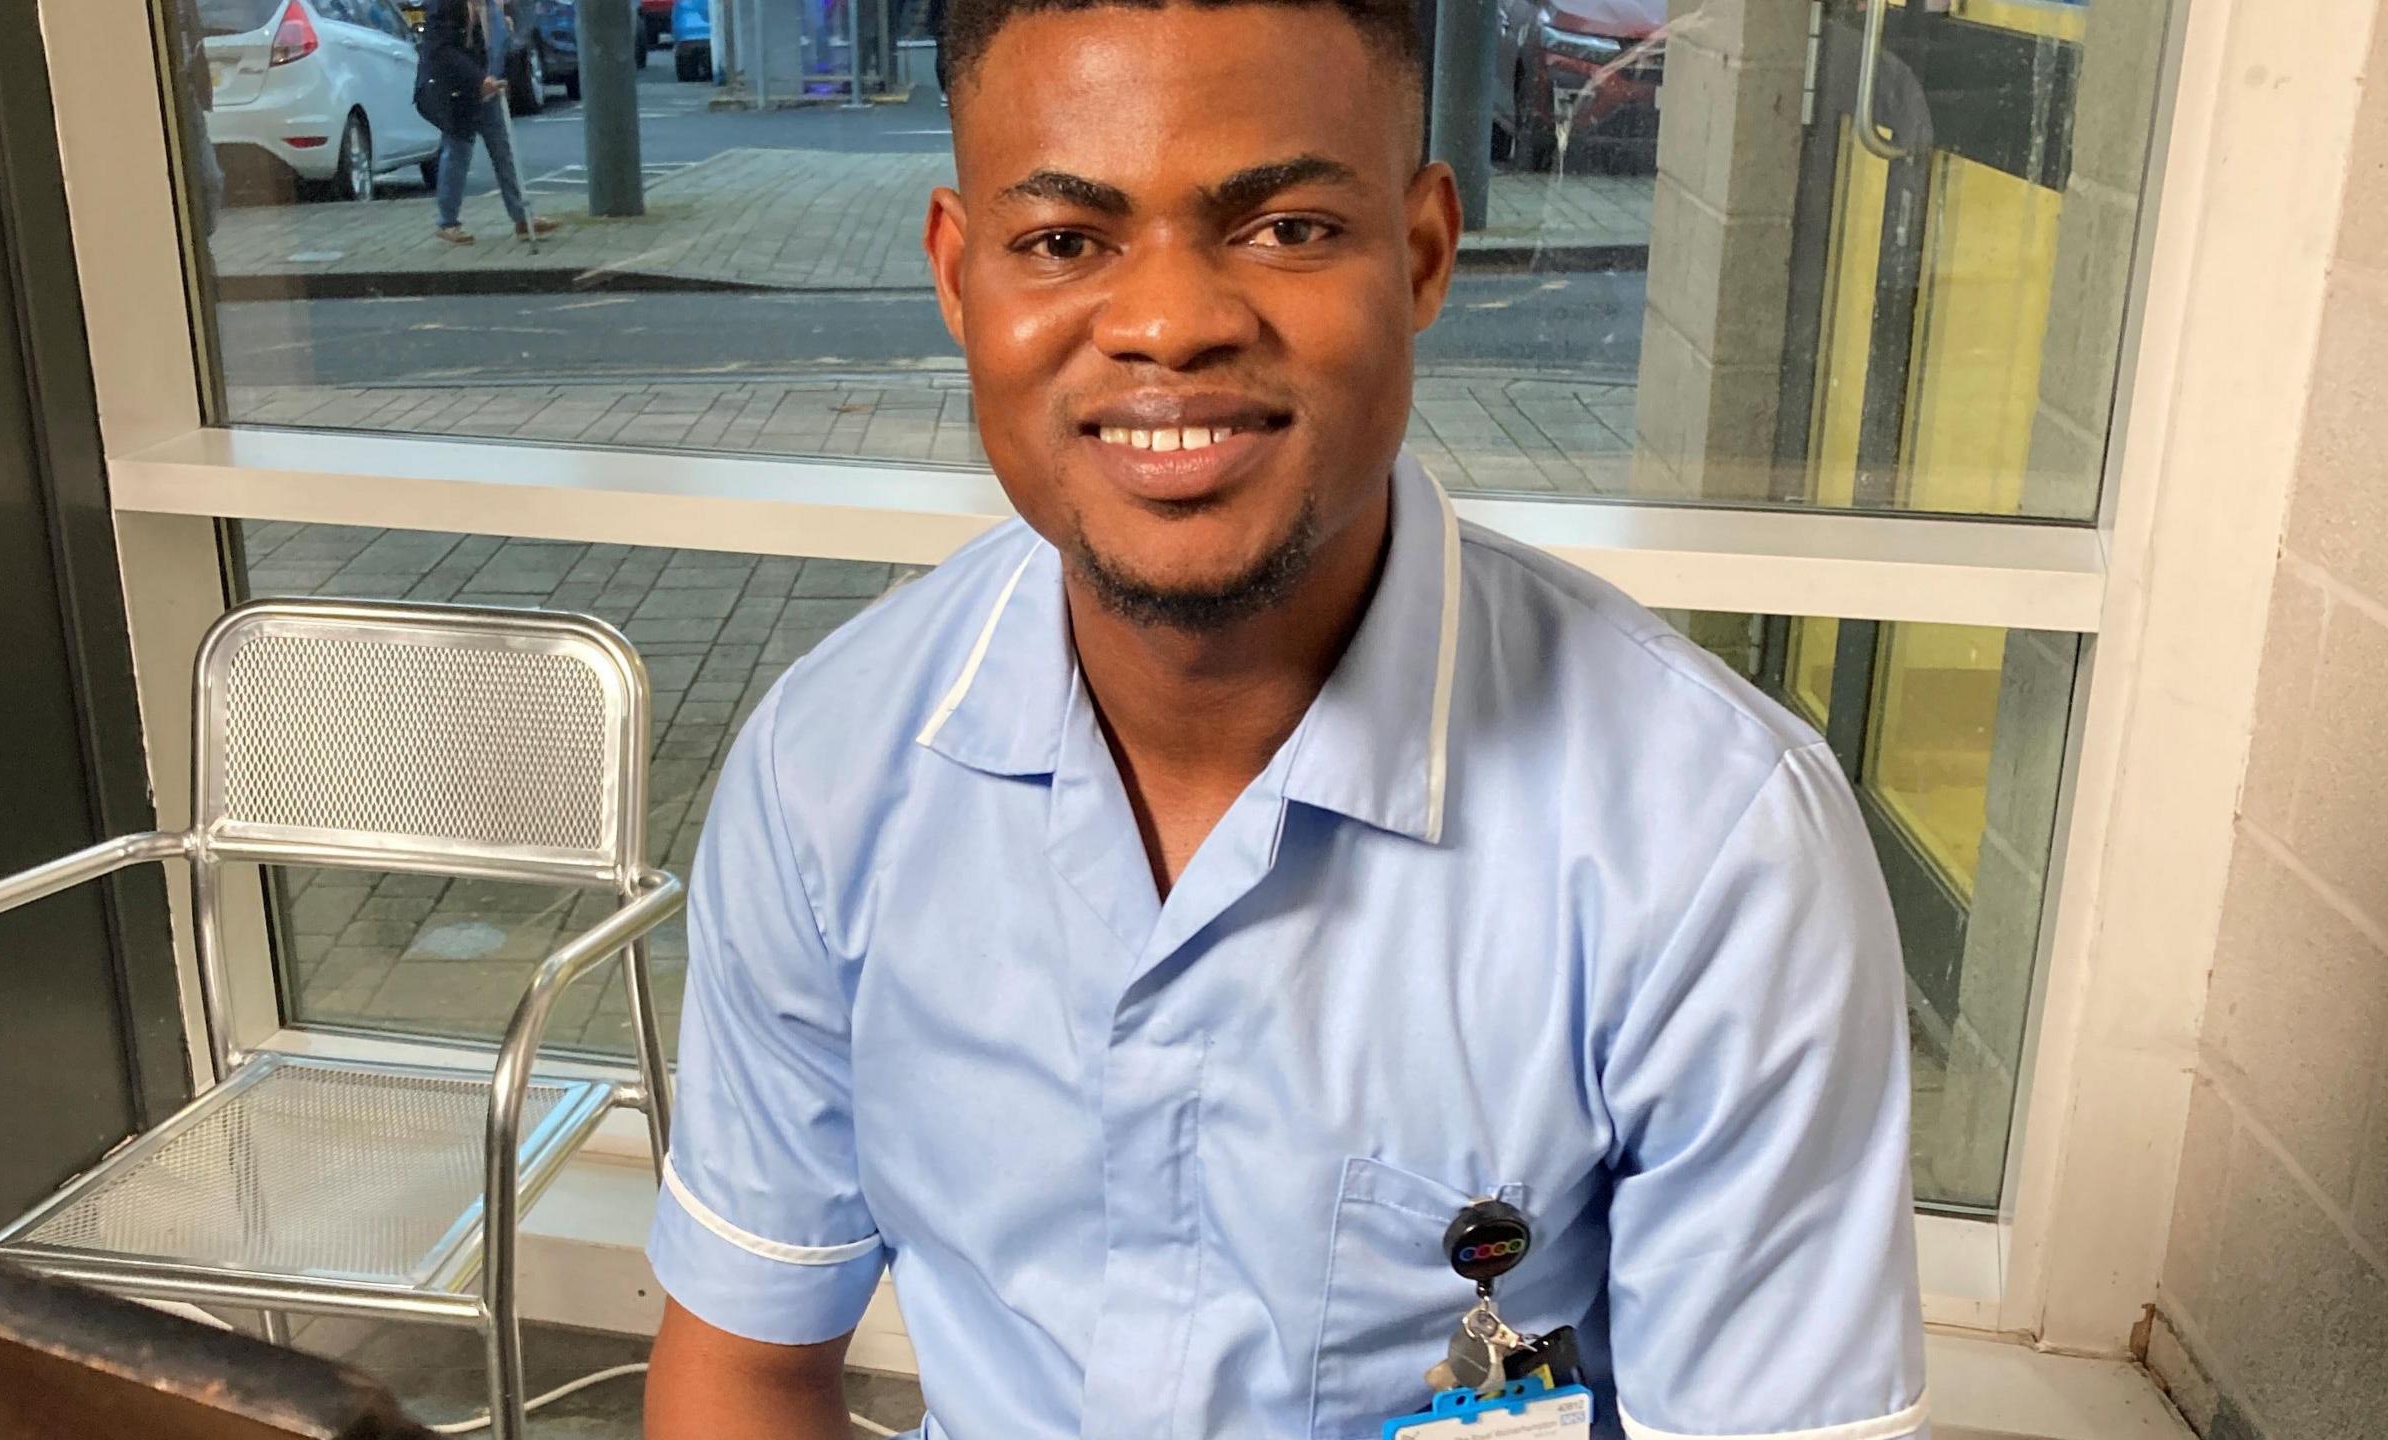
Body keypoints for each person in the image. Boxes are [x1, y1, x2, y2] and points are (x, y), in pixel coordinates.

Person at [639, 2, 1927, 1437]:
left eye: (1288, 229)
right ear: (959, 276)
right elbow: (745, 1364)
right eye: (1066, 242)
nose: (1172, 325)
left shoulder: (1711, 848)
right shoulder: (829, 771)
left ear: (1426, 253)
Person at [417, 0, 557, 244]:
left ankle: (522, 216)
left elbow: (499, 48)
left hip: (487, 89)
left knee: (504, 150)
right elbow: (441, 51)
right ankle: (447, 222)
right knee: (458, 150)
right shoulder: (447, 6)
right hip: (457, 90)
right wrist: (479, 79)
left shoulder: (491, 8)